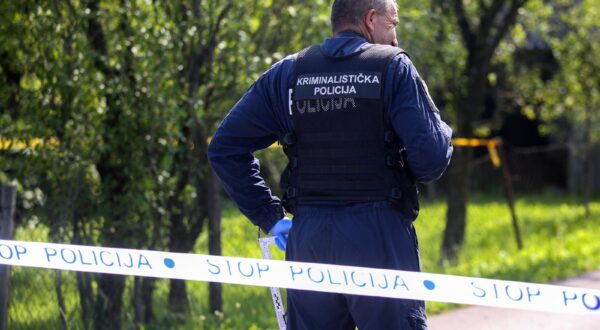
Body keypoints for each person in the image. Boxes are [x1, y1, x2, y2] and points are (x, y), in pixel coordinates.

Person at [208, 0, 453, 328]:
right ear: (370, 19)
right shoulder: (394, 66)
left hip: (308, 238)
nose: (395, 38)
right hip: (378, 237)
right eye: (392, 24)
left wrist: (270, 217)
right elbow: (431, 161)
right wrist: (440, 128)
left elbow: (224, 147)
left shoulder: (289, 72)